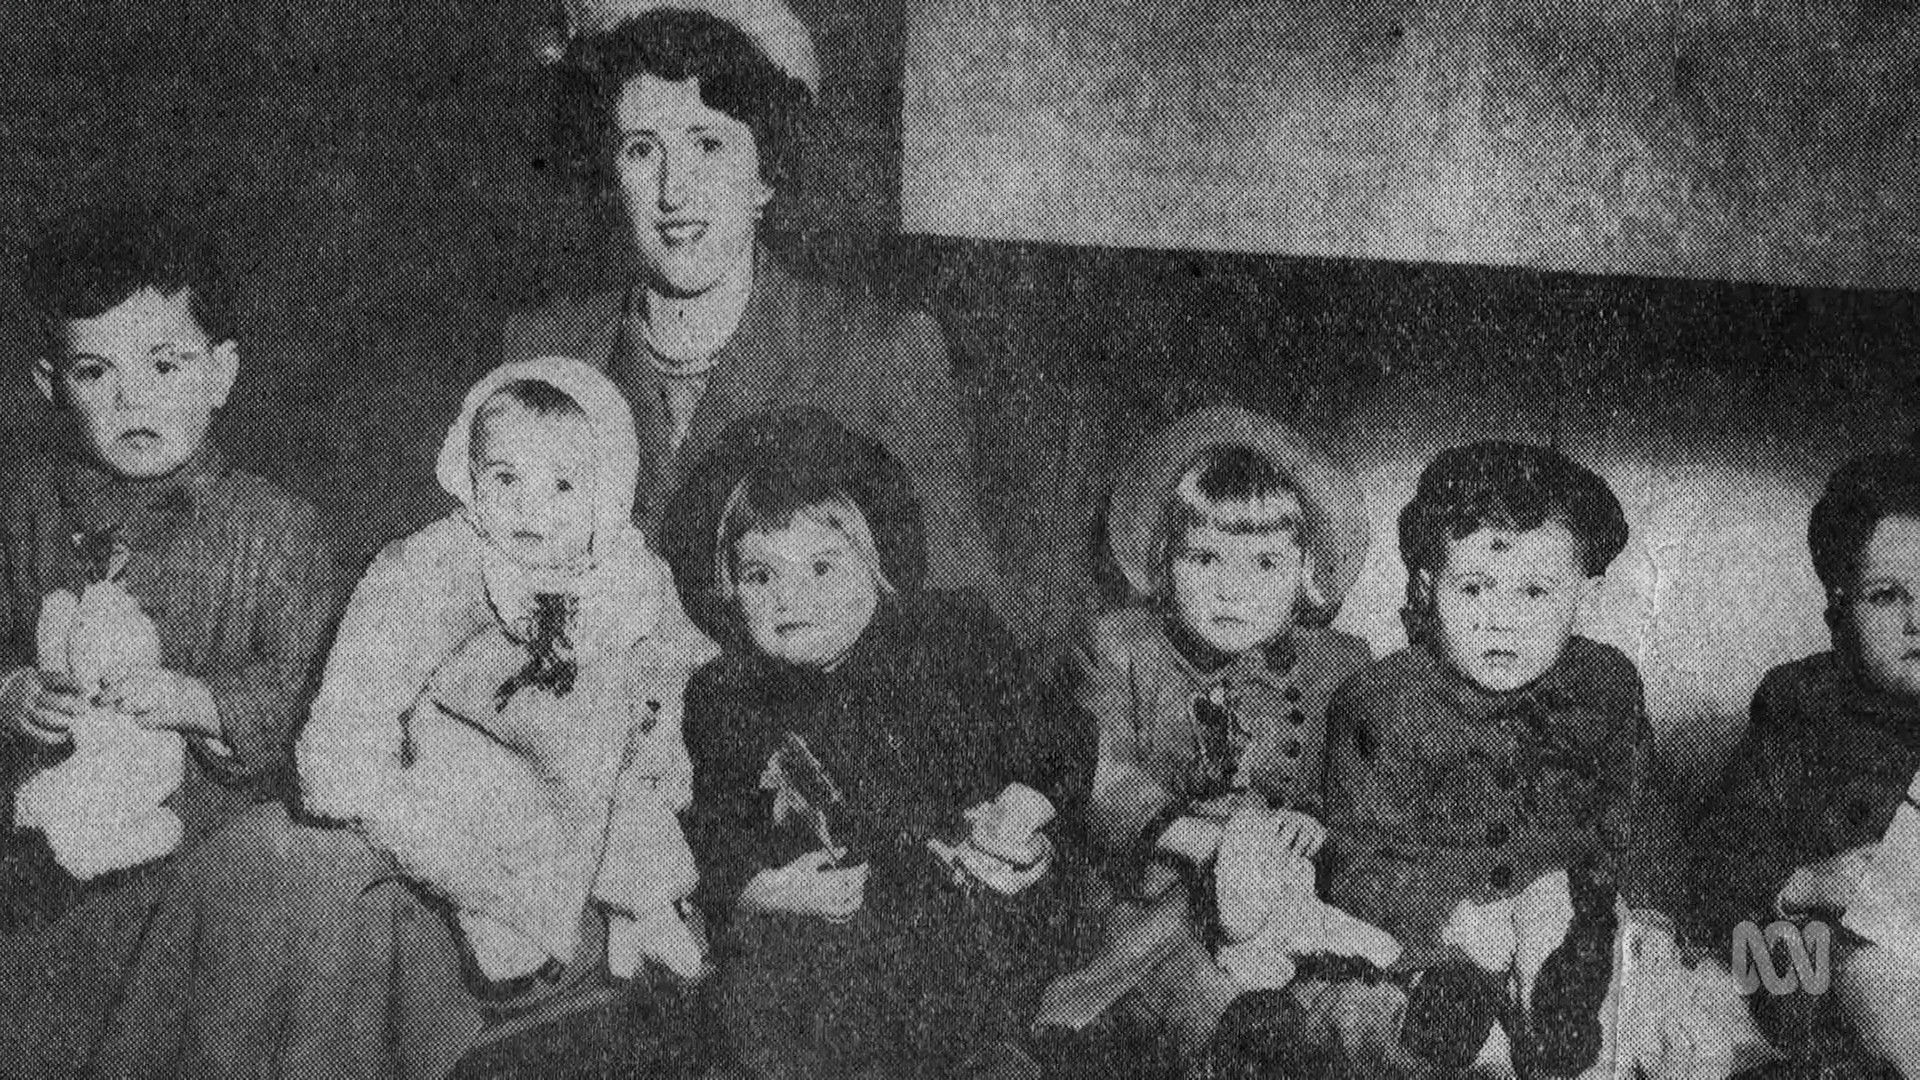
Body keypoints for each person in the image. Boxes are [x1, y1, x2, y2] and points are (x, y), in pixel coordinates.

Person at [84, 358, 714, 1080]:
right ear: (469, 476)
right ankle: (504, 922)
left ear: (606, 494)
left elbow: (667, 681)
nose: (531, 510)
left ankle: (642, 910)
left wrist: (654, 753)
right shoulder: (437, 566)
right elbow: (351, 714)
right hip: (457, 779)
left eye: (563, 487)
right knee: (325, 883)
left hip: (591, 778)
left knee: (634, 818)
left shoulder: (627, 578)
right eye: (505, 479)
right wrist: (390, 804)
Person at [503, 0, 1006, 621]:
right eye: (642, 150)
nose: (674, 191)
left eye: (708, 145)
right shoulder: (541, 352)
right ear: (612, 171)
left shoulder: (881, 355)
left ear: (766, 172)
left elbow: (962, 623)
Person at [0, 204, 340, 1079]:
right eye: (96, 371)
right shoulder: (26, 511)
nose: (133, 399)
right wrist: (11, 692)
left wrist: (198, 701)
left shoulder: (275, 530)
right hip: (50, 893)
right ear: (49, 385)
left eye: (164, 364)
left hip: (207, 891)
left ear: (221, 373)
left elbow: (317, 700)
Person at [658, 406, 1084, 1080]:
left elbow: (1057, 730)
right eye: (761, 576)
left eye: (822, 568)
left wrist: (1024, 809)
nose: (790, 598)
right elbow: (710, 825)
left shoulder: (951, 635)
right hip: (822, 953)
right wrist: (761, 888)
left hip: (969, 913)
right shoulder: (725, 696)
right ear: (730, 592)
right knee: (757, 1007)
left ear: (878, 562)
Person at [1306, 441, 1672, 1078]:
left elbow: (1637, 819)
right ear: (1428, 589)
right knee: (1388, 1017)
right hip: (1438, 933)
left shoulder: (1606, 686)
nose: (1502, 620)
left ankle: (1565, 1023)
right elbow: (1355, 859)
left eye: (1535, 592)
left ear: (1584, 596)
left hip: (1573, 927)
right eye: (1475, 589)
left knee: (1625, 997)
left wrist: (1627, 912)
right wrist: (1452, 914)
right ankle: (1463, 1024)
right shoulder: (1383, 699)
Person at [1029, 405, 1379, 1068]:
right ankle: (1230, 1035)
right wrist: (1194, 837)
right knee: (1192, 991)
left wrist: (1317, 823)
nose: (1231, 589)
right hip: (1154, 889)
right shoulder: (1120, 648)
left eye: (1265, 564)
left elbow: (1362, 783)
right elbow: (1097, 770)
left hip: (1290, 897)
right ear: (1165, 562)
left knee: (1337, 992)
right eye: (1205, 557)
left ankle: (1404, 1030)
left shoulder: (1339, 665)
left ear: (1307, 573)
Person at [1693, 449, 1920, 1078]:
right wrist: (1811, 883)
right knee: (1865, 975)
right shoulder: (1802, 709)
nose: (1919, 620)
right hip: (1839, 970)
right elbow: (1717, 863)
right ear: (1838, 614)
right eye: (1887, 597)